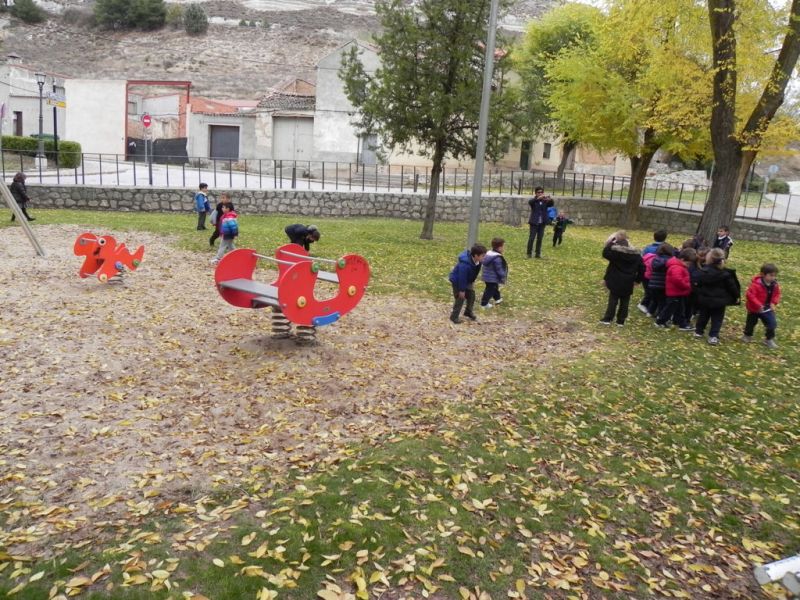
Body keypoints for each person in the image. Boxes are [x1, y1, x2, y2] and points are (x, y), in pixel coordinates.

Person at [693, 248, 741, 345]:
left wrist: (698, 291)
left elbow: (696, 281)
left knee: (703, 315)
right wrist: (736, 296)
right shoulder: (726, 274)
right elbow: (732, 287)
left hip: (705, 299)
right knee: (717, 319)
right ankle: (713, 335)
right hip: (719, 301)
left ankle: (699, 331)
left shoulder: (704, 272)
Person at [600, 231, 644, 326]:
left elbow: (605, 253)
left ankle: (608, 318)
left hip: (615, 279)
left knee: (613, 299)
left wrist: (611, 242)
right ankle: (621, 320)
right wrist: (637, 280)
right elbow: (642, 268)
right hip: (628, 280)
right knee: (625, 300)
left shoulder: (616, 253)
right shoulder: (636, 256)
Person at [742, 263, 781, 349]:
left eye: (774, 276)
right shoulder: (756, 285)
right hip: (754, 309)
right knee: (751, 323)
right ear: (763, 274)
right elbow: (750, 295)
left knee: (772, 324)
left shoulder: (774, 285)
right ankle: (747, 335)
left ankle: (769, 339)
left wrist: (773, 302)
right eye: (771, 275)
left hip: (767, 309)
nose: (773, 278)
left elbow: (777, 294)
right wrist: (758, 305)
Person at [655, 248, 695, 330]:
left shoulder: (680, 266)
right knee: (670, 308)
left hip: (678, 292)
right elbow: (677, 280)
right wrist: (687, 285)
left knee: (679, 309)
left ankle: (680, 323)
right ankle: (660, 321)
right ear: (682, 259)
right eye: (688, 263)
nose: (689, 265)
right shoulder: (677, 267)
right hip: (675, 292)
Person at [448, 243, 487, 324]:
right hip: (457, 280)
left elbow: (474, 272)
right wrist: (462, 290)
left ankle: (468, 312)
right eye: (483, 256)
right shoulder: (465, 265)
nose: (484, 257)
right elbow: (462, 277)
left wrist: (471, 282)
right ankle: (454, 316)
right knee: (460, 297)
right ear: (476, 255)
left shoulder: (478, 262)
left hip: (467, 280)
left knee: (471, 294)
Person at [636, 229, 667, 314]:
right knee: (652, 291)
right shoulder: (665, 249)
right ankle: (645, 304)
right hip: (657, 274)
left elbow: (642, 259)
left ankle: (649, 306)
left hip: (646, 272)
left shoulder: (648, 248)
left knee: (649, 290)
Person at [645, 243, 674, 318]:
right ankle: (659, 314)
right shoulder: (669, 261)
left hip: (653, 283)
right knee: (662, 301)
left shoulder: (655, 259)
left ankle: (650, 312)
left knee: (654, 299)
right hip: (662, 284)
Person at [480, 237, 508, 309]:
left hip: (487, 276)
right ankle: (484, 303)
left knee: (494, 287)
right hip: (492, 277)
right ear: (499, 248)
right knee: (490, 290)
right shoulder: (497, 258)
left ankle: (497, 298)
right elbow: (499, 269)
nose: (504, 248)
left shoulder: (489, 254)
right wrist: (503, 276)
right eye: (503, 246)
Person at [526, 187, 552, 258]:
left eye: (541, 192)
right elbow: (530, 202)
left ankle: (538, 254)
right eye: (538, 192)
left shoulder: (545, 201)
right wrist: (537, 198)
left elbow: (551, 204)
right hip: (534, 223)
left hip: (542, 223)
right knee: (531, 238)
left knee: (540, 238)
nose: (540, 193)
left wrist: (550, 199)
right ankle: (529, 253)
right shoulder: (534, 201)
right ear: (536, 193)